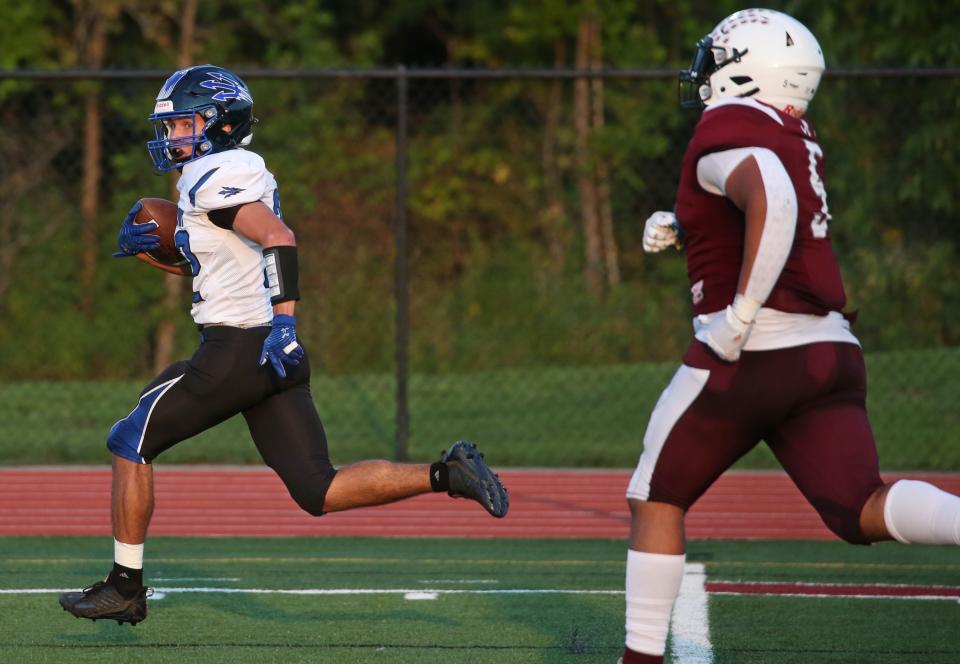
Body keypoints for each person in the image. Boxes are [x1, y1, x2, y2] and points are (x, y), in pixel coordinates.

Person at [59, 64, 509, 626]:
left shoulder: (213, 173)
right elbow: (239, 260)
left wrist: (284, 323)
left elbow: (278, 238)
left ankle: (124, 586)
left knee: (130, 440)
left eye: (181, 124)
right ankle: (448, 474)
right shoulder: (233, 172)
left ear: (217, 124)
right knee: (318, 489)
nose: (172, 136)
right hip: (267, 357)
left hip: (239, 350)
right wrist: (183, 254)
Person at [621, 9, 960, 663]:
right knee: (859, 508)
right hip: (829, 351)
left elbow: (770, 200)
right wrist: (690, 226)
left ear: (746, 70)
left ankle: (636, 660)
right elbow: (770, 204)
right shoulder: (794, 133)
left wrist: (738, 317)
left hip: (759, 352)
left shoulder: (727, 124)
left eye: (715, 58)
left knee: (655, 497)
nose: (703, 72)